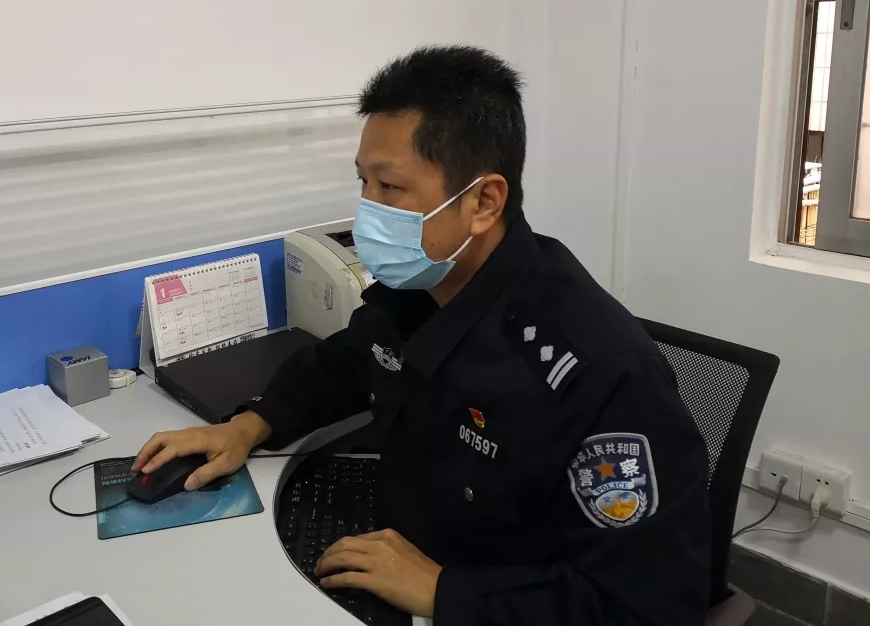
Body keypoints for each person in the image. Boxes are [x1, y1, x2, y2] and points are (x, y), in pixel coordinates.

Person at [133, 45, 711, 625]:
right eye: (363, 182)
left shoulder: (603, 372)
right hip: (406, 553)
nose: (367, 211)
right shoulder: (422, 285)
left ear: (484, 202)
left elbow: (648, 607)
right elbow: (348, 363)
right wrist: (247, 425)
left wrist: (444, 592)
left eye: (390, 188)